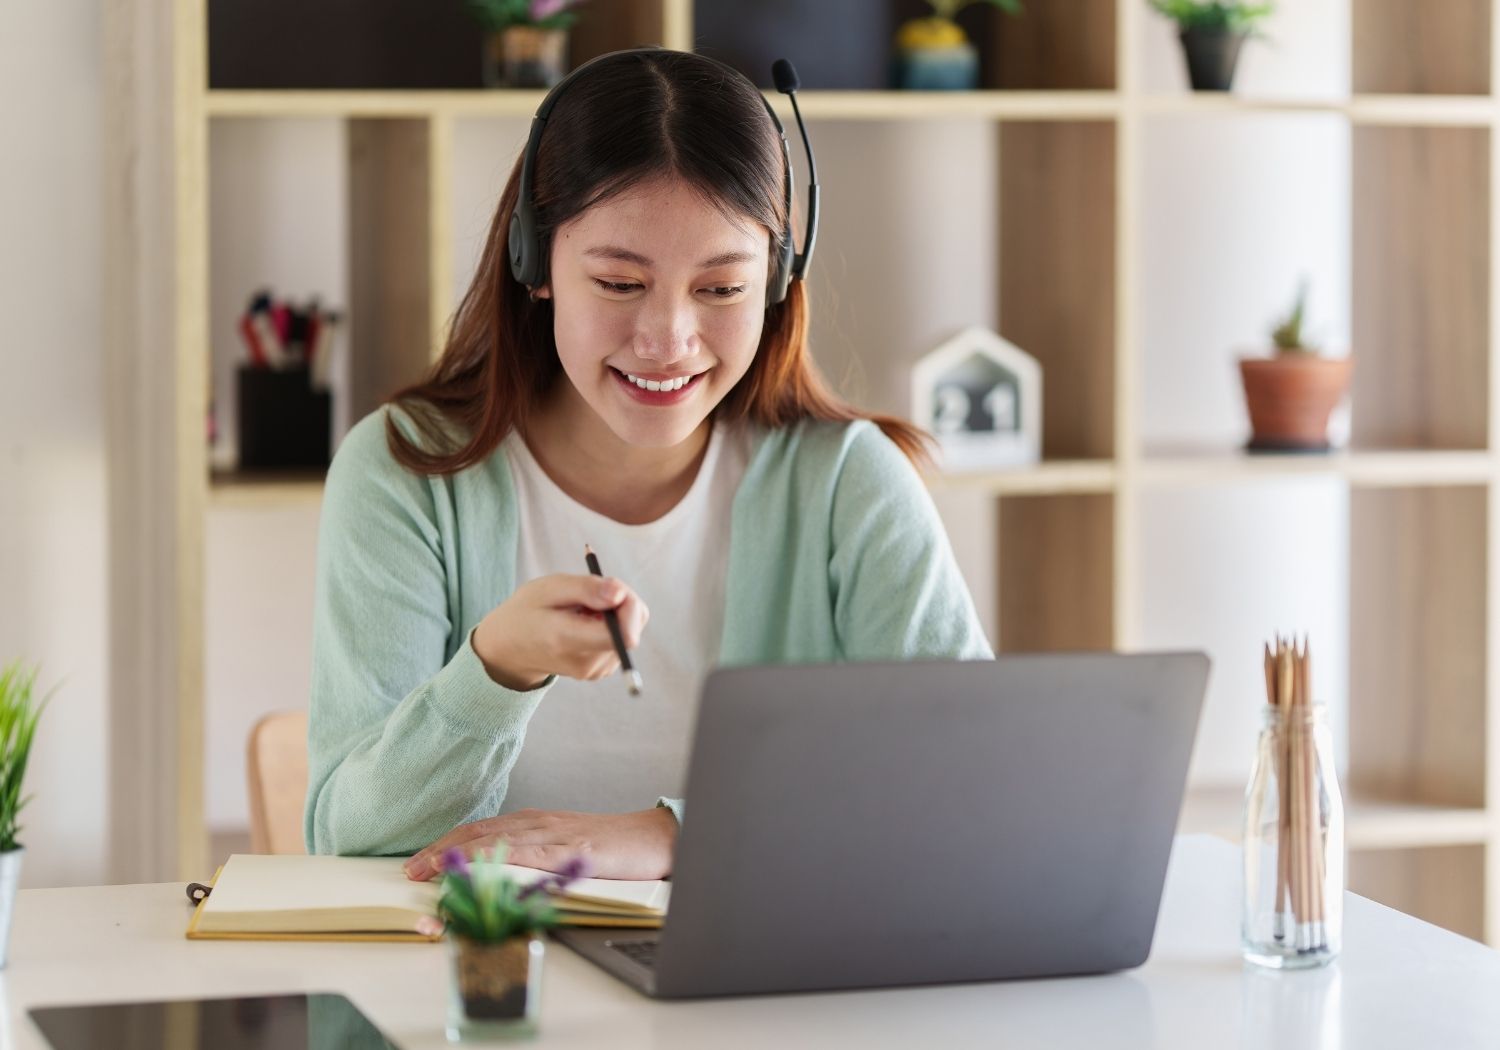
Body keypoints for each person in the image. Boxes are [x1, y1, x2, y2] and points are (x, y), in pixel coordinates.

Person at [303, 47, 992, 882]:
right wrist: (495, 671)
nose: (668, 341)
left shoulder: (848, 482)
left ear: (777, 280)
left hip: (765, 994)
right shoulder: (404, 471)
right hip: (485, 992)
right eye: (620, 284)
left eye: (721, 290)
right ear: (536, 264)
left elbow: (968, 792)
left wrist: (668, 838)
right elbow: (349, 843)